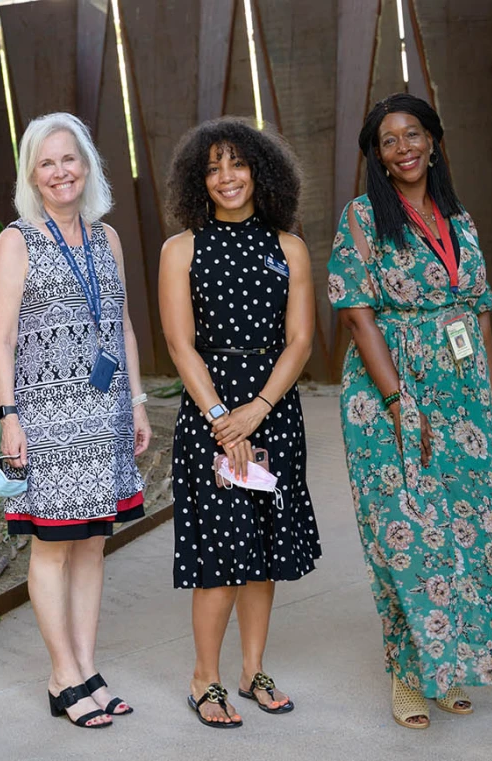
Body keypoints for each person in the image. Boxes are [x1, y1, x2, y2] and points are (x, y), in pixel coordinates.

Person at [328, 93, 492, 729]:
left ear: (433, 141)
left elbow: (479, 308)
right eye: (390, 141)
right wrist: (398, 400)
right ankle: (408, 671)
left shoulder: (460, 219)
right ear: (377, 154)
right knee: (407, 533)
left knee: (467, 530)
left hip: (461, 392)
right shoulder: (365, 217)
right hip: (389, 392)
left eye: (414, 134)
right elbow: (356, 313)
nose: (405, 148)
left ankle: (450, 666)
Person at [0, 113, 151, 730]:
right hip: (46, 422)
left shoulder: (105, 239)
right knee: (53, 547)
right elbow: (0, 341)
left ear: (88, 166)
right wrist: (9, 417)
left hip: (104, 418)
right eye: (47, 162)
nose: (61, 172)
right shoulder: (17, 240)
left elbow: (123, 327)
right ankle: (62, 676)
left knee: (92, 546)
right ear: (33, 173)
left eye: (70, 159)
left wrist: (135, 401)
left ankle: (86, 666)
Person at [158, 117, 321, 729]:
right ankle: (206, 678)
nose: (227, 177)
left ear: (260, 170)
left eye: (238, 163)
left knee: (265, 549)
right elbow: (180, 344)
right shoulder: (182, 249)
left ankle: (253, 671)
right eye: (213, 167)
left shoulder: (289, 246)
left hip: (274, 410)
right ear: (199, 181)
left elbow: (300, 341)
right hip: (211, 412)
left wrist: (260, 409)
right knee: (220, 552)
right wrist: (226, 419)